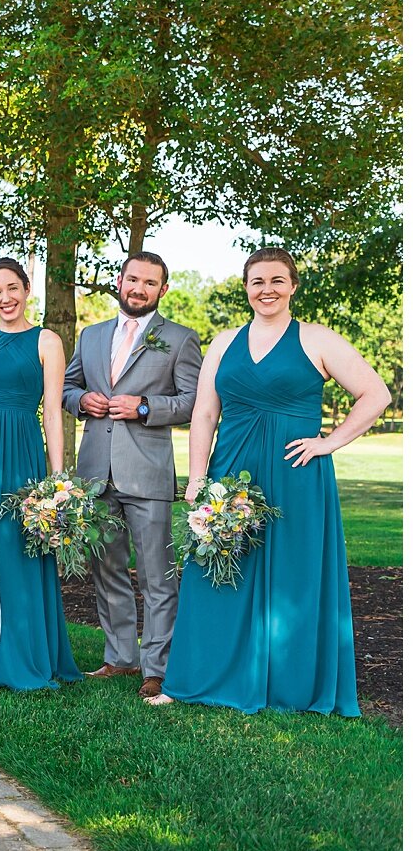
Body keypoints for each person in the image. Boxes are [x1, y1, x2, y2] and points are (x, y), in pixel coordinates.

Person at [151, 248, 389, 715]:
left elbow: (375, 394)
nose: (267, 290)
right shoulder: (223, 342)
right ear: (246, 287)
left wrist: (328, 442)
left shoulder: (317, 339)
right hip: (231, 471)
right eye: (258, 281)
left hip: (296, 474)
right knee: (216, 573)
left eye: (278, 280)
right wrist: (197, 477)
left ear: (293, 286)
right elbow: (203, 413)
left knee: (292, 575)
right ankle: (196, 680)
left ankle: (289, 686)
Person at [62, 252, 202, 699]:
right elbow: (67, 388)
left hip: (148, 474)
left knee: (157, 575)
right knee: (108, 570)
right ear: (119, 282)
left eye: (150, 283)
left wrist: (144, 408)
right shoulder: (91, 335)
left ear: (163, 290)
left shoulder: (180, 339)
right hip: (96, 473)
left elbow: (192, 403)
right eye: (132, 279)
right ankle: (120, 657)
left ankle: (156, 666)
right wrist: (83, 401)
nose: (138, 288)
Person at [0, 257, 81, 690]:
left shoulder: (47, 341)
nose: (5, 298)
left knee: (13, 546)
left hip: (20, 451)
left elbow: (51, 413)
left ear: (27, 289)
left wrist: (57, 477)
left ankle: (19, 656)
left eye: (12, 288)